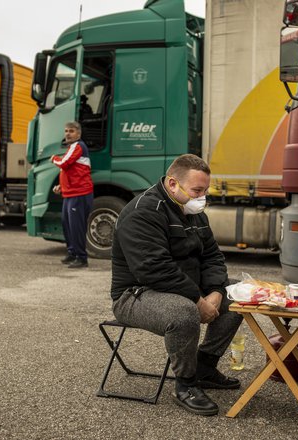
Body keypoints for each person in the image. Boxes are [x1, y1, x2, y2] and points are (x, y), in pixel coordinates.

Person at [110, 154, 243, 416]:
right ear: (173, 184)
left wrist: (216, 292)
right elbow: (154, 269)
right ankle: (186, 384)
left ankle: (204, 365)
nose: (202, 196)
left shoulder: (194, 212)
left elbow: (212, 256)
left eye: (205, 190)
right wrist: (197, 300)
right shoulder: (143, 213)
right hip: (136, 294)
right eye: (197, 190)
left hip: (183, 289)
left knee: (238, 294)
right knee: (184, 312)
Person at [51, 121, 94, 269]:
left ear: (78, 134)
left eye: (71, 131)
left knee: (76, 227)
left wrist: (53, 158)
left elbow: (63, 163)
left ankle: (82, 258)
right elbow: (71, 171)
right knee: (67, 224)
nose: (67, 133)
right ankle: (72, 253)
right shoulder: (72, 148)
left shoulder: (78, 146)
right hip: (70, 194)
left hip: (80, 194)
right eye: (66, 131)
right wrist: (61, 187)